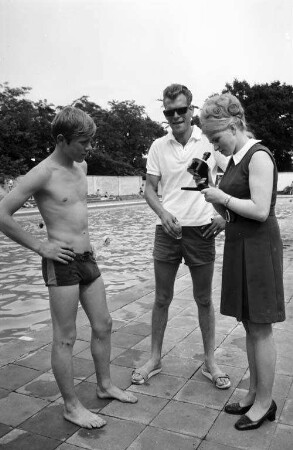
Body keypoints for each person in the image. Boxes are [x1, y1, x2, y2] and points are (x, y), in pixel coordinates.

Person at [0, 106, 137, 429]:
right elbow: (2, 214)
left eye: (90, 141)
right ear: (61, 140)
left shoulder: (82, 166)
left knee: (103, 324)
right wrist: (40, 245)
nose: (88, 148)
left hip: (88, 259)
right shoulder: (42, 173)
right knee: (65, 337)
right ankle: (71, 406)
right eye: (83, 142)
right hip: (60, 263)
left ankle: (104, 385)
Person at [131, 84, 231, 389]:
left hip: (202, 228)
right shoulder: (158, 146)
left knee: (203, 299)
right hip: (168, 230)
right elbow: (149, 189)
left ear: (191, 110)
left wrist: (224, 217)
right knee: (162, 297)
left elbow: (236, 176)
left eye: (180, 110)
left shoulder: (210, 141)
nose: (174, 116)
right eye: (168, 111)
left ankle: (210, 362)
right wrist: (163, 214)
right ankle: (155, 358)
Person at [200, 93, 285, 431]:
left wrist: (221, 196)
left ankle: (265, 402)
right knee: (250, 325)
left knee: (261, 328)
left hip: (259, 249)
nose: (215, 146)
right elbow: (234, 210)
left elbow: (261, 210)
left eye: (216, 138)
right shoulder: (235, 159)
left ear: (233, 126)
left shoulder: (259, 156)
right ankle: (253, 393)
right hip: (241, 245)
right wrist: (211, 193)